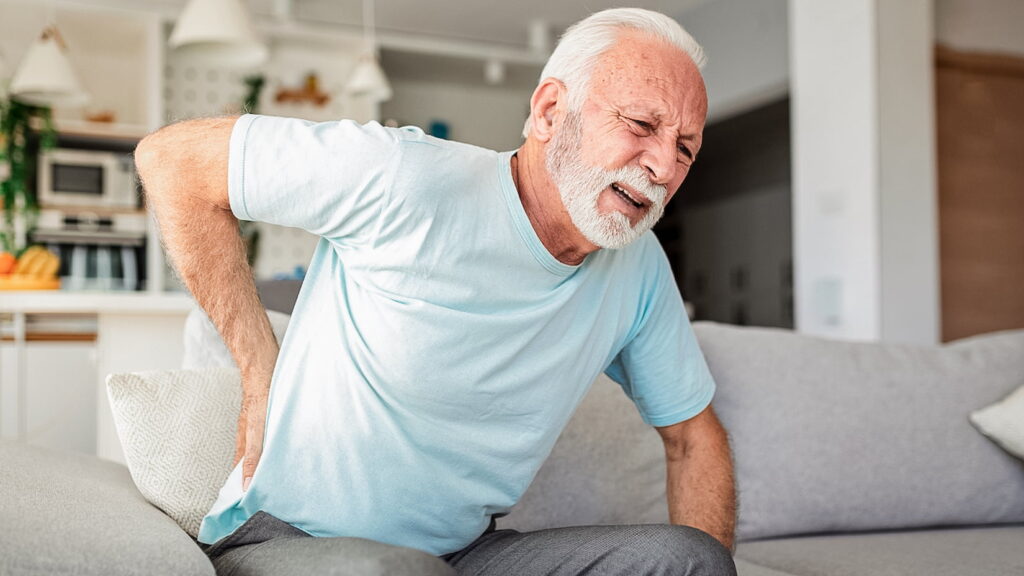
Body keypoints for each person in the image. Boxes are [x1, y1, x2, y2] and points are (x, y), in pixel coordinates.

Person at [136, 7, 737, 576]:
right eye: (640, 124)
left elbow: (693, 434)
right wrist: (258, 367)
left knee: (689, 559)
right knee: (398, 572)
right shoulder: (402, 175)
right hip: (289, 539)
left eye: (685, 148)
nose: (662, 166)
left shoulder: (639, 267)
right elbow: (171, 162)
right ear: (552, 111)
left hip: (465, 555)